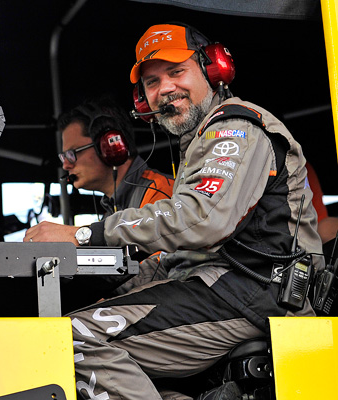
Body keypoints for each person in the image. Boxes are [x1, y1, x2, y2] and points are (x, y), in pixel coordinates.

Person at [24, 23, 324, 400]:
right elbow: (179, 257)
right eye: (151, 82)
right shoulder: (199, 142)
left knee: (70, 338)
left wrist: (83, 235)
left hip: (255, 294)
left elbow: (201, 218)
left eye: (176, 71)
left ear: (213, 70)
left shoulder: (235, 127)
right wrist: (112, 285)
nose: (164, 88)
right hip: (227, 290)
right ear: (142, 100)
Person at [56, 97, 175, 298]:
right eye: (64, 157)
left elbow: (157, 275)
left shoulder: (160, 192)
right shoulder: (112, 209)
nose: (66, 165)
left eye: (71, 153)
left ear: (109, 146)